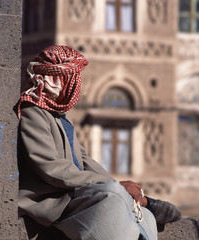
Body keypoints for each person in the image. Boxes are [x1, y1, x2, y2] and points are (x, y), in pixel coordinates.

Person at [15, 45, 181, 240]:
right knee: (112, 194)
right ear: (60, 80)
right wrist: (112, 186)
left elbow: (84, 159)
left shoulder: (60, 116)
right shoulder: (33, 112)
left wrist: (117, 185)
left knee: (140, 212)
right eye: (74, 78)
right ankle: (142, 201)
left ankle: (143, 204)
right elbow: (52, 169)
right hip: (54, 199)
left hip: (74, 191)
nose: (78, 84)